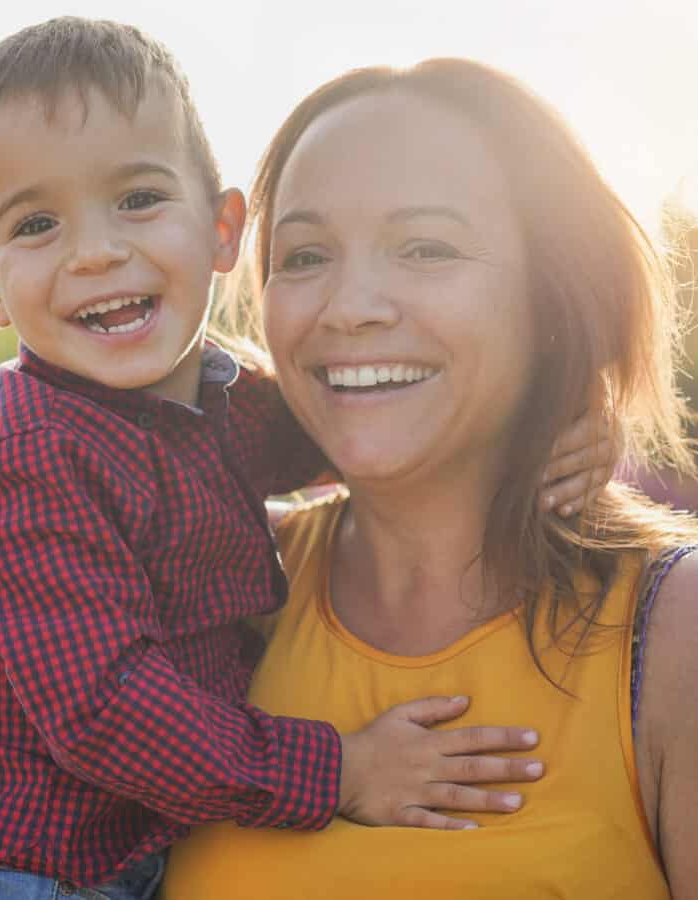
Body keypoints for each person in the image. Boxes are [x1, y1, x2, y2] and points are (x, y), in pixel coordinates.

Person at [0, 20, 610, 899]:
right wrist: (339, 770)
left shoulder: (222, 402)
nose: (95, 251)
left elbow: (372, 406)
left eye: (137, 199)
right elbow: (106, 713)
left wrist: (553, 429)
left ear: (224, 230)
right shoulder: (30, 460)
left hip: (131, 855)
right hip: (19, 874)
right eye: (38, 223)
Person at [161, 58, 698, 899]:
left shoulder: (675, 630)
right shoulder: (210, 592)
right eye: (304, 256)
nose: (350, 306)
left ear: (551, 295)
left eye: (425, 247)